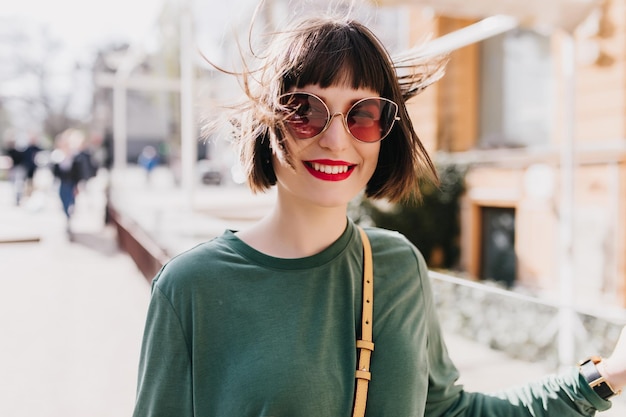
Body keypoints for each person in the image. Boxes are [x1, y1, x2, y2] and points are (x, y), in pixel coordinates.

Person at [132, 10, 626, 417]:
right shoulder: (191, 287)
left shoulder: (398, 267)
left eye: (362, 114)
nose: (335, 138)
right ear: (269, 124)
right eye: (306, 109)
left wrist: (607, 377)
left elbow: (450, 410)